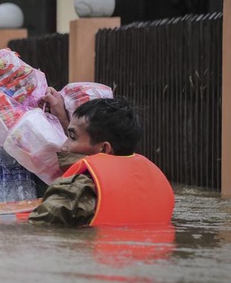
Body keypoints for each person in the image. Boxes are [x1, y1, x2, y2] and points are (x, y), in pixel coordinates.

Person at [28, 94, 174, 227]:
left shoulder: (75, 189)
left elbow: (36, 229)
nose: (64, 146)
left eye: (72, 137)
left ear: (104, 149)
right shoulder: (152, 182)